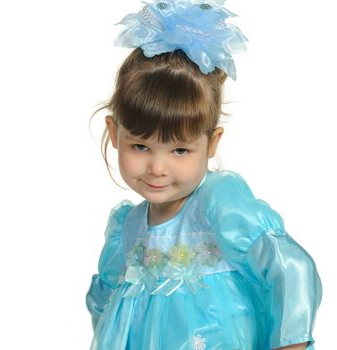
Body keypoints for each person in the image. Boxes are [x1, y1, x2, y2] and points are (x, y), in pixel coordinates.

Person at [85, 1, 322, 349]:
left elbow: (291, 268)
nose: (158, 168)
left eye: (180, 150)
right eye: (140, 147)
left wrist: (291, 342)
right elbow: (105, 305)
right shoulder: (129, 227)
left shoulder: (218, 206)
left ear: (211, 143)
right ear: (115, 133)